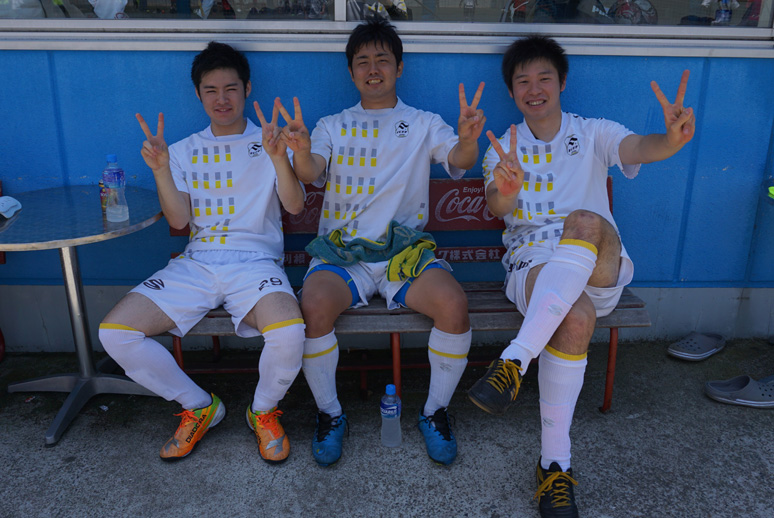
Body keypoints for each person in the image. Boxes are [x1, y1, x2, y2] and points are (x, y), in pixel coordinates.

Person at [467, 35, 695, 517]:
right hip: (534, 262)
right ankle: (555, 465)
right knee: (573, 319)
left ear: (562, 82)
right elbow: (497, 204)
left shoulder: (592, 132)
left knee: (586, 221)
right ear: (512, 91)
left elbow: (640, 147)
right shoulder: (502, 149)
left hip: (598, 263)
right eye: (523, 81)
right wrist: (507, 189)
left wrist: (671, 140)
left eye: (544, 78)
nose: (534, 89)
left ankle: (515, 360)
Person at [277, 18, 485, 467]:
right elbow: (311, 171)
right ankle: (330, 414)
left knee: (453, 305)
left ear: (399, 67)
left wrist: (468, 140)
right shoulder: (332, 125)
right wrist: (300, 151)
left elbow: (458, 158)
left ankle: (434, 412)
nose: (373, 69)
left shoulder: (424, 123)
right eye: (363, 62)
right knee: (313, 306)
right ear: (351, 72)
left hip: (403, 254)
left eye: (382, 60)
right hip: (342, 254)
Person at [98, 41, 307, 464]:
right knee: (115, 333)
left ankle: (262, 411)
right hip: (198, 263)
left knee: (289, 332)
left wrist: (279, 159)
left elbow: (295, 205)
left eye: (231, 88)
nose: (221, 99)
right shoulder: (182, 151)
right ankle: (198, 406)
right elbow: (179, 219)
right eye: (211, 90)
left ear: (247, 89)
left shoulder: (270, 140)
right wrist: (161, 171)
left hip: (256, 263)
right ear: (198, 94)